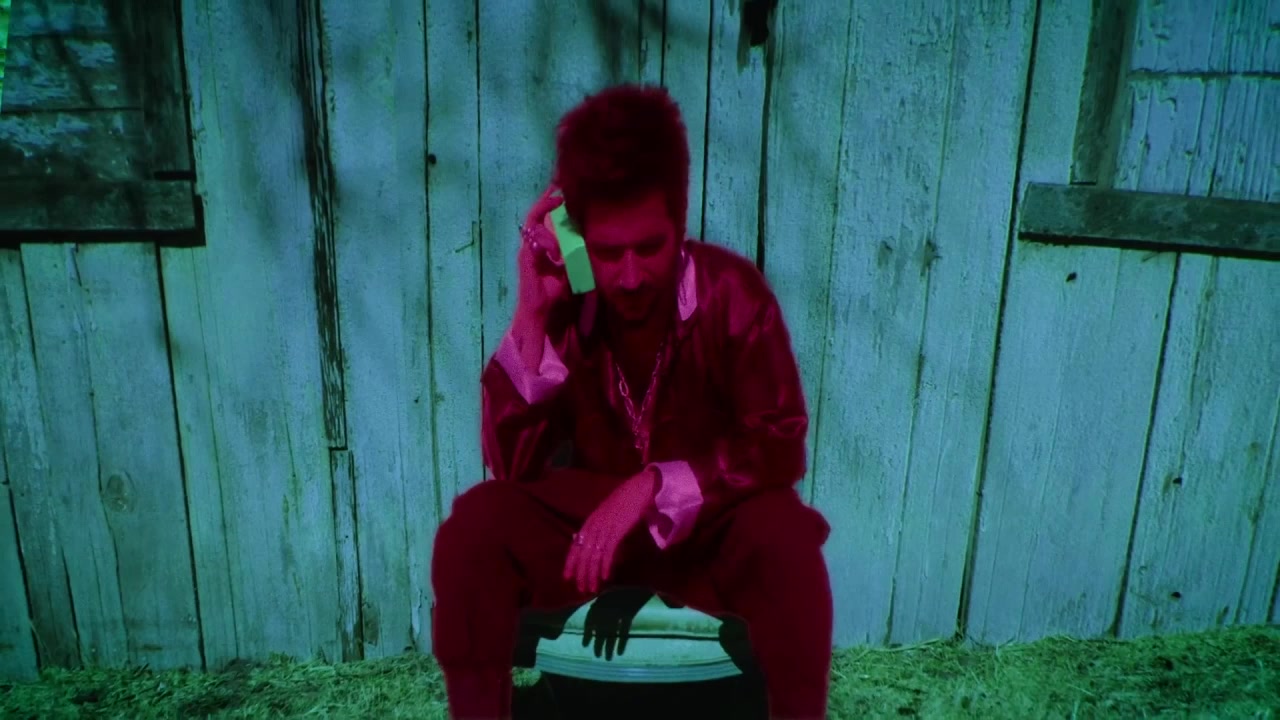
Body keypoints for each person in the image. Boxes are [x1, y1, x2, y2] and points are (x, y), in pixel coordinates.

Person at [430, 83, 833, 720]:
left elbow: (778, 440)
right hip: (590, 539)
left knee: (785, 539)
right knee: (474, 527)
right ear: (577, 238)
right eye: (608, 251)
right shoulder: (572, 305)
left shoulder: (733, 294)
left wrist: (653, 484)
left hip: (704, 535)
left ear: (680, 226)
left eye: (650, 247)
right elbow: (513, 470)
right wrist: (533, 312)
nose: (631, 276)